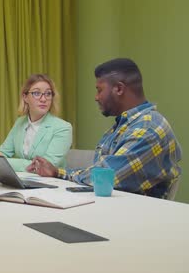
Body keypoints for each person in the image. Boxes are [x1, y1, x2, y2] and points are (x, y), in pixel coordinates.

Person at [30, 58, 182, 198]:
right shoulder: (124, 125)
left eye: (99, 90)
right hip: (113, 210)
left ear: (119, 89)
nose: (96, 97)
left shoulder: (148, 128)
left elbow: (105, 177)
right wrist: (58, 172)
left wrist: (59, 172)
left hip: (136, 219)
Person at [0, 74, 72, 172]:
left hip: (51, 184)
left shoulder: (63, 127)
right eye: (37, 93)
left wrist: (4, 161)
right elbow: (4, 152)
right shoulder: (20, 122)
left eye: (48, 94)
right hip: (23, 180)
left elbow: (45, 166)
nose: (43, 99)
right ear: (25, 97)